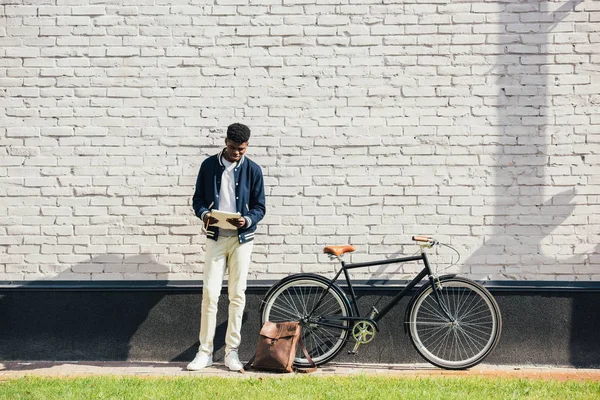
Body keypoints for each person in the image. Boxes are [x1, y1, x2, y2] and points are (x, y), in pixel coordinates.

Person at [188, 123, 266, 371]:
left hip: (242, 239)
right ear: (225, 142)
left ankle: (232, 352)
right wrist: (204, 215)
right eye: (233, 148)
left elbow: (260, 206)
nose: (236, 153)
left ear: (247, 146)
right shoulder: (208, 166)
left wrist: (248, 219)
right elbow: (198, 199)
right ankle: (205, 352)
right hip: (216, 237)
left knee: (237, 295)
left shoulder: (254, 170)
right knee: (210, 293)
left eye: (241, 149)